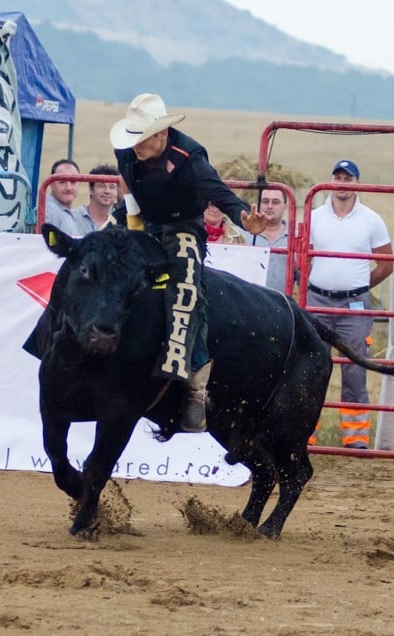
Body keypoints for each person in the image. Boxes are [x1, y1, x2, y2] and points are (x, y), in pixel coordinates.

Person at [110, 93, 266, 433]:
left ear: (161, 134)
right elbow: (126, 181)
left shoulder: (190, 159)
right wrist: (133, 221)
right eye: (133, 136)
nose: (135, 145)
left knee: (187, 290)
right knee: (98, 263)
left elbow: (220, 194)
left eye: (141, 138)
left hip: (183, 227)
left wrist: (244, 218)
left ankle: (195, 389)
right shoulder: (125, 150)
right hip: (142, 219)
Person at [307, 160, 393, 449]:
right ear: (330, 180)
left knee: (355, 369)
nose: (342, 183)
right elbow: (301, 256)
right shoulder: (315, 216)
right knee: (311, 367)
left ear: (357, 183)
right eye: (338, 177)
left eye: (348, 178)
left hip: (354, 305)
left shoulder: (372, 220)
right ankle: (305, 431)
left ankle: (355, 439)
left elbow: (387, 263)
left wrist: (359, 285)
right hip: (317, 300)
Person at [250, 187, 291, 292]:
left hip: (281, 303)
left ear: (285, 206)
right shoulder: (243, 234)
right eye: (265, 201)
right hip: (248, 301)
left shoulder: (294, 237)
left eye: (275, 202)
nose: (269, 206)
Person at [73, 164, 120, 233]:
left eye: (112, 187)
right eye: (101, 186)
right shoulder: (73, 218)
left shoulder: (119, 220)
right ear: (91, 189)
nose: (107, 191)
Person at [44, 158, 82, 235]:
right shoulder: (48, 210)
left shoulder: (67, 213)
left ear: (79, 184)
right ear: (51, 184)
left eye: (73, 182)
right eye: (62, 182)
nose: (68, 187)